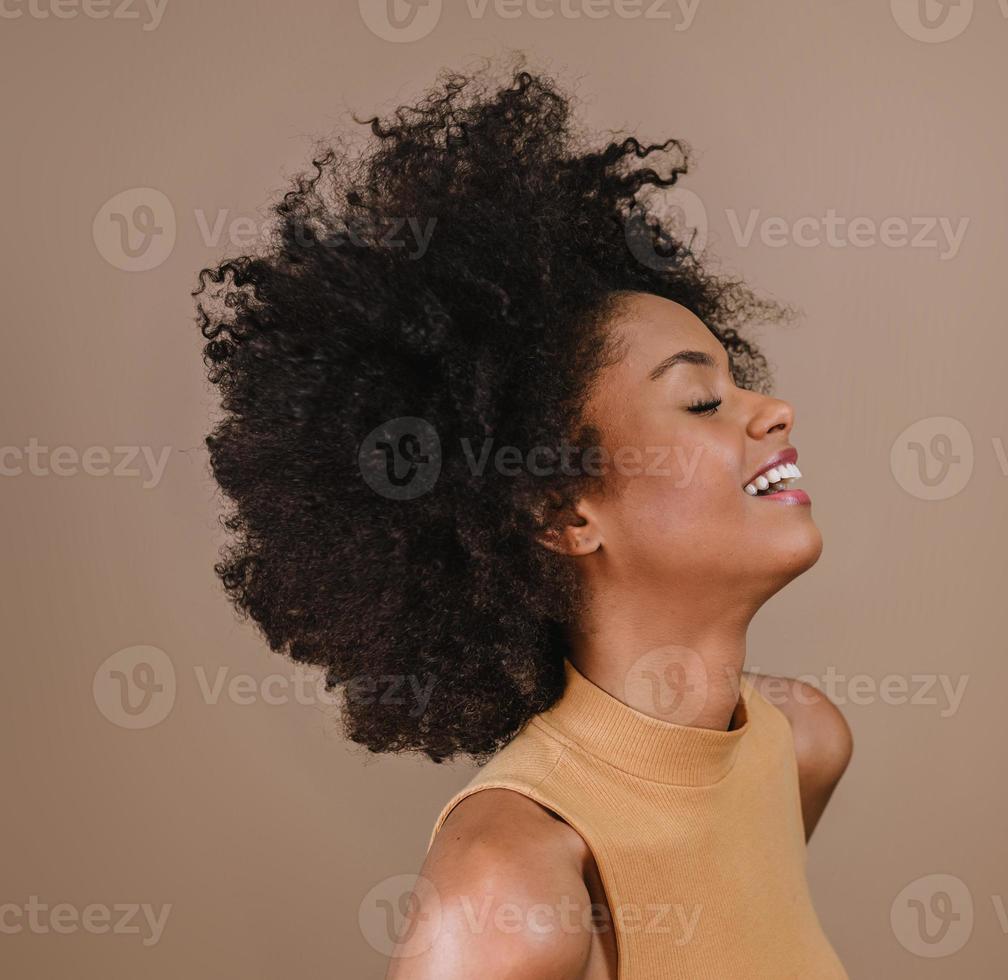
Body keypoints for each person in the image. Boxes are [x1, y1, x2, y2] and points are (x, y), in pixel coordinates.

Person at [195, 62, 852, 979]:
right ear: (562, 511)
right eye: (702, 403)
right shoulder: (512, 882)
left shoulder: (801, 744)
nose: (772, 409)